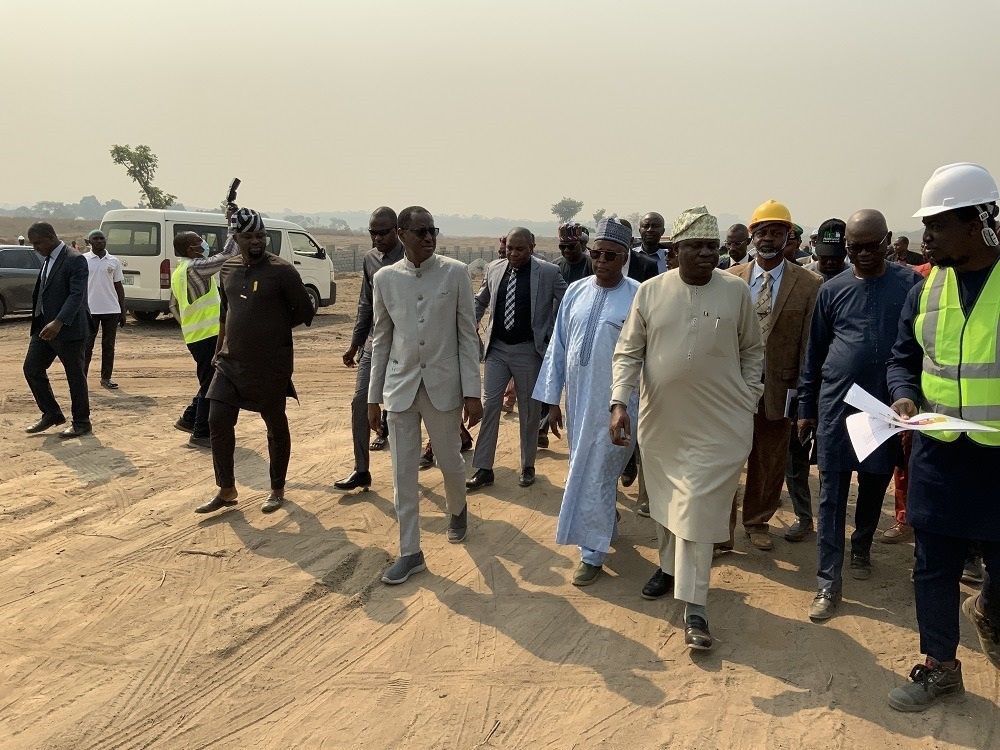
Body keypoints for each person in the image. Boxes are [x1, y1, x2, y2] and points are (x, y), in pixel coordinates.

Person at [610, 206, 764, 650]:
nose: (705, 254)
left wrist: (747, 395)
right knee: (665, 498)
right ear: (674, 250)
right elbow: (628, 352)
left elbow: (754, 351)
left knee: (695, 506)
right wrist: (620, 401)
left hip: (721, 423)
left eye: (711, 246)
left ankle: (695, 608)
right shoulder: (651, 292)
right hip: (663, 420)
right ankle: (669, 566)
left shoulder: (736, 292)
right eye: (695, 246)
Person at [885, 162, 1000, 711]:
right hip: (938, 455)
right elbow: (902, 359)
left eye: (937, 224)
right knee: (932, 566)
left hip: (998, 461)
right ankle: (939, 666)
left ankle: (990, 613)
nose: (925, 237)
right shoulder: (926, 288)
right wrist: (903, 393)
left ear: (979, 222)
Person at [798, 209, 922, 621]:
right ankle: (828, 583)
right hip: (837, 406)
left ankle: (863, 546)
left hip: (885, 408)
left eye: (872, 246)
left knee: (873, 484)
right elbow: (814, 354)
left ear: (888, 241)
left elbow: (918, 352)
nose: (864, 254)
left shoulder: (911, 286)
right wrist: (806, 408)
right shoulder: (831, 290)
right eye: (855, 248)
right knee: (832, 493)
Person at [368, 206, 483, 584]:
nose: (429, 238)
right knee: (402, 473)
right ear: (402, 234)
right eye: (421, 232)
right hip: (400, 388)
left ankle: (457, 508)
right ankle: (410, 552)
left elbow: (468, 335)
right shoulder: (385, 278)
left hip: (444, 388)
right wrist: (373, 396)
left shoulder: (455, 273)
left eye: (433, 230)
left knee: (450, 463)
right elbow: (382, 338)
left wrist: (472, 392)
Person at [534, 217, 640, 585]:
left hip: (621, 405)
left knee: (597, 472)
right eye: (597, 254)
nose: (602, 261)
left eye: (611, 255)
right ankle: (603, 528)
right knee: (588, 469)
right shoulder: (576, 292)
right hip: (579, 401)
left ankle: (591, 553)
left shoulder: (639, 296)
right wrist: (551, 402)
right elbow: (558, 348)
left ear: (625, 257)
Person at [195, 208, 315, 515]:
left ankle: (277, 489)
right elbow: (226, 311)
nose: (256, 242)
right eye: (248, 236)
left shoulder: (282, 271)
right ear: (235, 238)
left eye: (260, 235)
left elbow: (305, 311)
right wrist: (220, 346)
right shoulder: (228, 269)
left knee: (274, 424)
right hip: (230, 362)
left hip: (271, 364)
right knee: (217, 420)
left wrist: (272, 326)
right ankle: (226, 489)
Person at [722, 200, 821, 553]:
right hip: (732, 386)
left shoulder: (810, 283)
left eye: (777, 232)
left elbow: (810, 344)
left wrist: (805, 394)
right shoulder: (729, 280)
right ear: (751, 236)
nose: (768, 238)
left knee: (768, 458)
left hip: (780, 387)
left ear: (789, 236)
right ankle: (721, 530)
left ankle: (757, 521)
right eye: (762, 231)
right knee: (725, 458)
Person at [467, 227, 566, 490]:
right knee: (490, 407)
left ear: (532, 247)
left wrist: (554, 337)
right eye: (510, 248)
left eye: (520, 249)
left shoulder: (547, 272)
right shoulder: (495, 268)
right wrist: (469, 324)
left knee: (529, 411)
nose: (513, 253)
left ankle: (527, 465)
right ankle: (484, 468)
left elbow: (569, 303)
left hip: (528, 351)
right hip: (497, 349)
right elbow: (481, 300)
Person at [334, 207, 405, 490]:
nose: (376, 238)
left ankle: (409, 467)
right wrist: (355, 344)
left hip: (407, 346)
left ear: (397, 231)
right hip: (374, 344)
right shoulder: (369, 260)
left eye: (382, 232)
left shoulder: (411, 257)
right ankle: (361, 469)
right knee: (360, 402)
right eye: (372, 232)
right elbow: (365, 303)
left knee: (408, 407)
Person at [785, 218, 847, 543]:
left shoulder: (855, 282)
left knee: (828, 457)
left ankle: (828, 518)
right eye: (825, 255)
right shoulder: (803, 280)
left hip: (835, 387)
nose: (830, 262)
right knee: (793, 453)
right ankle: (801, 516)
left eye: (836, 255)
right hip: (798, 379)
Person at [169, 228, 239, 448]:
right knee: (211, 384)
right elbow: (226, 257)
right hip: (207, 335)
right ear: (191, 248)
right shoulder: (194, 268)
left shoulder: (180, 270)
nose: (204, 244)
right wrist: (233, 230)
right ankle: (200, 432)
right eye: (200, 241)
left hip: (196, 335)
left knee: (208, 381)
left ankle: (189, 419)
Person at [23, 222, 92, 439]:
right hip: (44, 326)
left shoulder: (75, 259)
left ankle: (82, 422)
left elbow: (76, 295)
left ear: (51, 237)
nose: (35, 248)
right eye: (33, 243)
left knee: (75, 376)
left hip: (68, 328)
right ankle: (51, 413)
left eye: (38, 243)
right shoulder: (48, 260)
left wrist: (59, 321)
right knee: (32, 369)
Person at [82, 229, 126, 390]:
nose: (99, 241)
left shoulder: (113, 261)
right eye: (96, 239)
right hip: (90, 310)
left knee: (109, 346)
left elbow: (118, 286)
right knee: (87, 346)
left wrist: (123, 310)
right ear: (89, 242)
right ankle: (82, 378)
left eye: (102, 238)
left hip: (111, 309)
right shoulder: (83, 260)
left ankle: (106, 378)